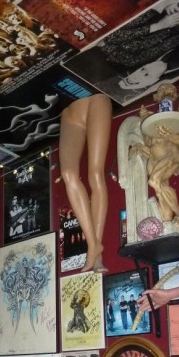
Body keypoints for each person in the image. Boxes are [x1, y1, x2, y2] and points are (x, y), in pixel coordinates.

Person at [59, 93, 112, 273]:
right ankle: (93, 245)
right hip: (69, 111)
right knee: (68, 174)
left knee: (96, 174)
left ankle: (96, 253)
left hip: (95, 99)